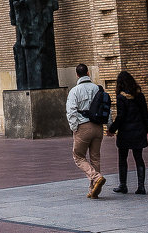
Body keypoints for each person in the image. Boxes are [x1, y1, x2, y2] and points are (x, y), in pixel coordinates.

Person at [66, 63, 106, 199]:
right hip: (98, 127)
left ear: (77, 75)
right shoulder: (97, 89)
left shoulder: (74, 91)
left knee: (78, 157)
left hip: (82, 127)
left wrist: (74, 128)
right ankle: (93, 189)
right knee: (95, 157)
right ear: (88, 73)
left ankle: (96, 177)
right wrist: (109, 126)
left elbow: (71, 111)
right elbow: (106, 107)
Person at [106, 71, 148, 195]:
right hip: (138, 130)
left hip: (125, 132)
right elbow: (145, 115)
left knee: (122, 159)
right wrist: (145, 130)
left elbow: (120, 117)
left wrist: (112, 130)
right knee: (139, 158)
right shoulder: (140, 95)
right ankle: (141, 187)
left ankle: (123, 185)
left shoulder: (121, 97)